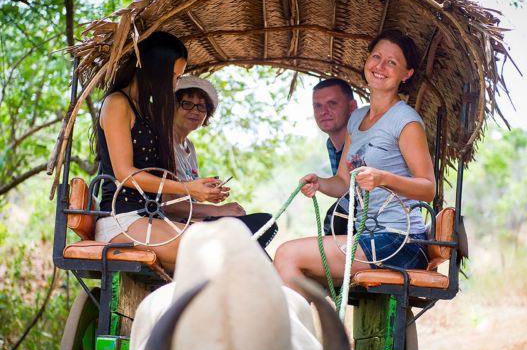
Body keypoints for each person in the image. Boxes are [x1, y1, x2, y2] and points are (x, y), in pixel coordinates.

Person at [274, 29, 435, 296]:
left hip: (400, 242)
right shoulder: (357, 119)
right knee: (288, 261)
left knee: (288, 255)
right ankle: (315, 333)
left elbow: (429, 188)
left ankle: (294, 336)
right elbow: (342, 182)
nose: (380, 66)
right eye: (376, 57)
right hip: (369, 238)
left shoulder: (405, 121)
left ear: (406, 74)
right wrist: (320, 183)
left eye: (392, 62)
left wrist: (383, 178)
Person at [94, 31, 227, 272]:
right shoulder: (117, 103)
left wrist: (199, 188)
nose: (175, 84)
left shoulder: (148, 110)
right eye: (173, 76)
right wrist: (188, 189)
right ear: (154, 69)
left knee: (223, 246)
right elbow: (125, 173)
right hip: (121, 221)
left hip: (150, 218)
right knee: (208, 253)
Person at [167, 75, 278, 248]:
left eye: (202, 106)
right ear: (172, 106)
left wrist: (206, 193)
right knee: (259, 225)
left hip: (192, 221)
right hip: (171, 228)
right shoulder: (164, 144)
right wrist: (218, 211)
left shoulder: (189, 146)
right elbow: (168, 206)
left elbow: (187, 197)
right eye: (187, 104)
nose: (195, 111)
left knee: (266, 223)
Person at [311, 78, 357, 235]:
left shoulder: (362, 141)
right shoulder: (331, 145)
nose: (323, 112)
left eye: (332, 104)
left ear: (352, 107)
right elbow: (344, 187)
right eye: (317, 106)